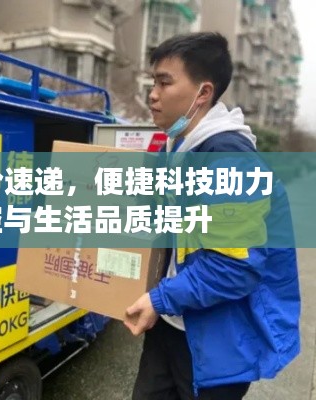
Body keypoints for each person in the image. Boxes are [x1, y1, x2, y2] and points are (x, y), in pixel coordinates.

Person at [124, 32, 300, 400]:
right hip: (171, 321)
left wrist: (158, 300)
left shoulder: (229, 158)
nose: (152, 94)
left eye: (164, 82)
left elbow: (234, 267)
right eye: (152, 82)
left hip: (215, 339)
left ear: (203, 92)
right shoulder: (179, 148)